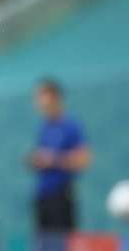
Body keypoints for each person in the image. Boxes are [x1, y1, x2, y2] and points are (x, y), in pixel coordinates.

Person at [28, 78, 90, 233]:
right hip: (43, 197)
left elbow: (84, 160)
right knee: (44, 248)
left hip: (61, 197)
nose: (38, 102)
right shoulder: (45, 127)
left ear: (55, 97)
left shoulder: (70, 126)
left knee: (63, 248)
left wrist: (54, 160)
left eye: (42, 96)